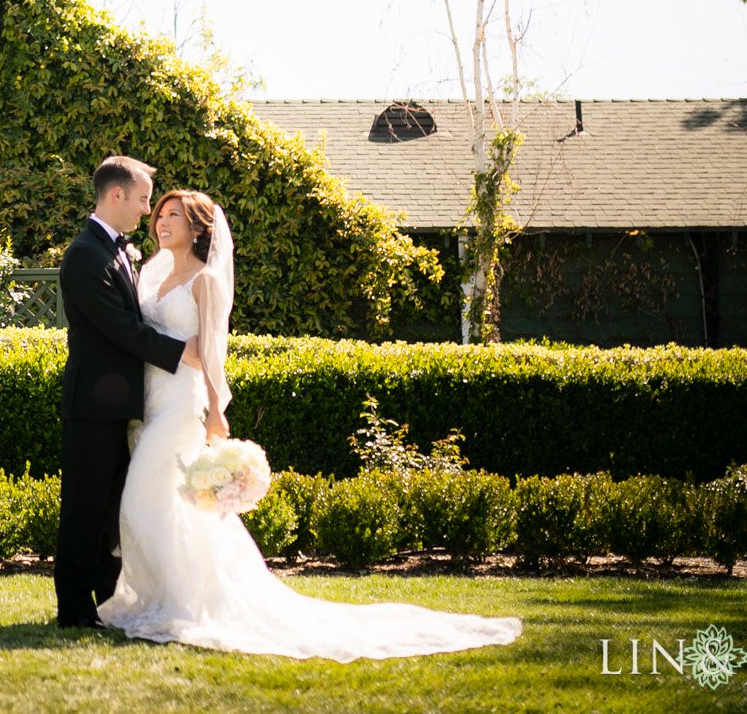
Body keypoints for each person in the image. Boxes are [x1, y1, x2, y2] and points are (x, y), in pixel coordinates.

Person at [96, 187, 524, 659]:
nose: (162, 221)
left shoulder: (205, 282)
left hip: (180, 405)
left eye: (174, 214)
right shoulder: (151, 273)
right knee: (164, 509)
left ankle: (182, 606)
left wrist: (217, 413)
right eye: (160, 213)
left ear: (197, 228)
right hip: (148, 402)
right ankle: (167, 598)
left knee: (142, 503)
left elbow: (214, 355)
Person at [52, 155, 200, 628]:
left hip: (124, 404)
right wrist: (180, 352)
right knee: (85, 507)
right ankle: (74, 610)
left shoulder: (119, 250)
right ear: (116, 196)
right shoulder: (84, 254)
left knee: (112, 510)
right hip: (94, 405)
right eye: (142, 200)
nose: (147, 210)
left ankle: (106, 600)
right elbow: (119, 328)